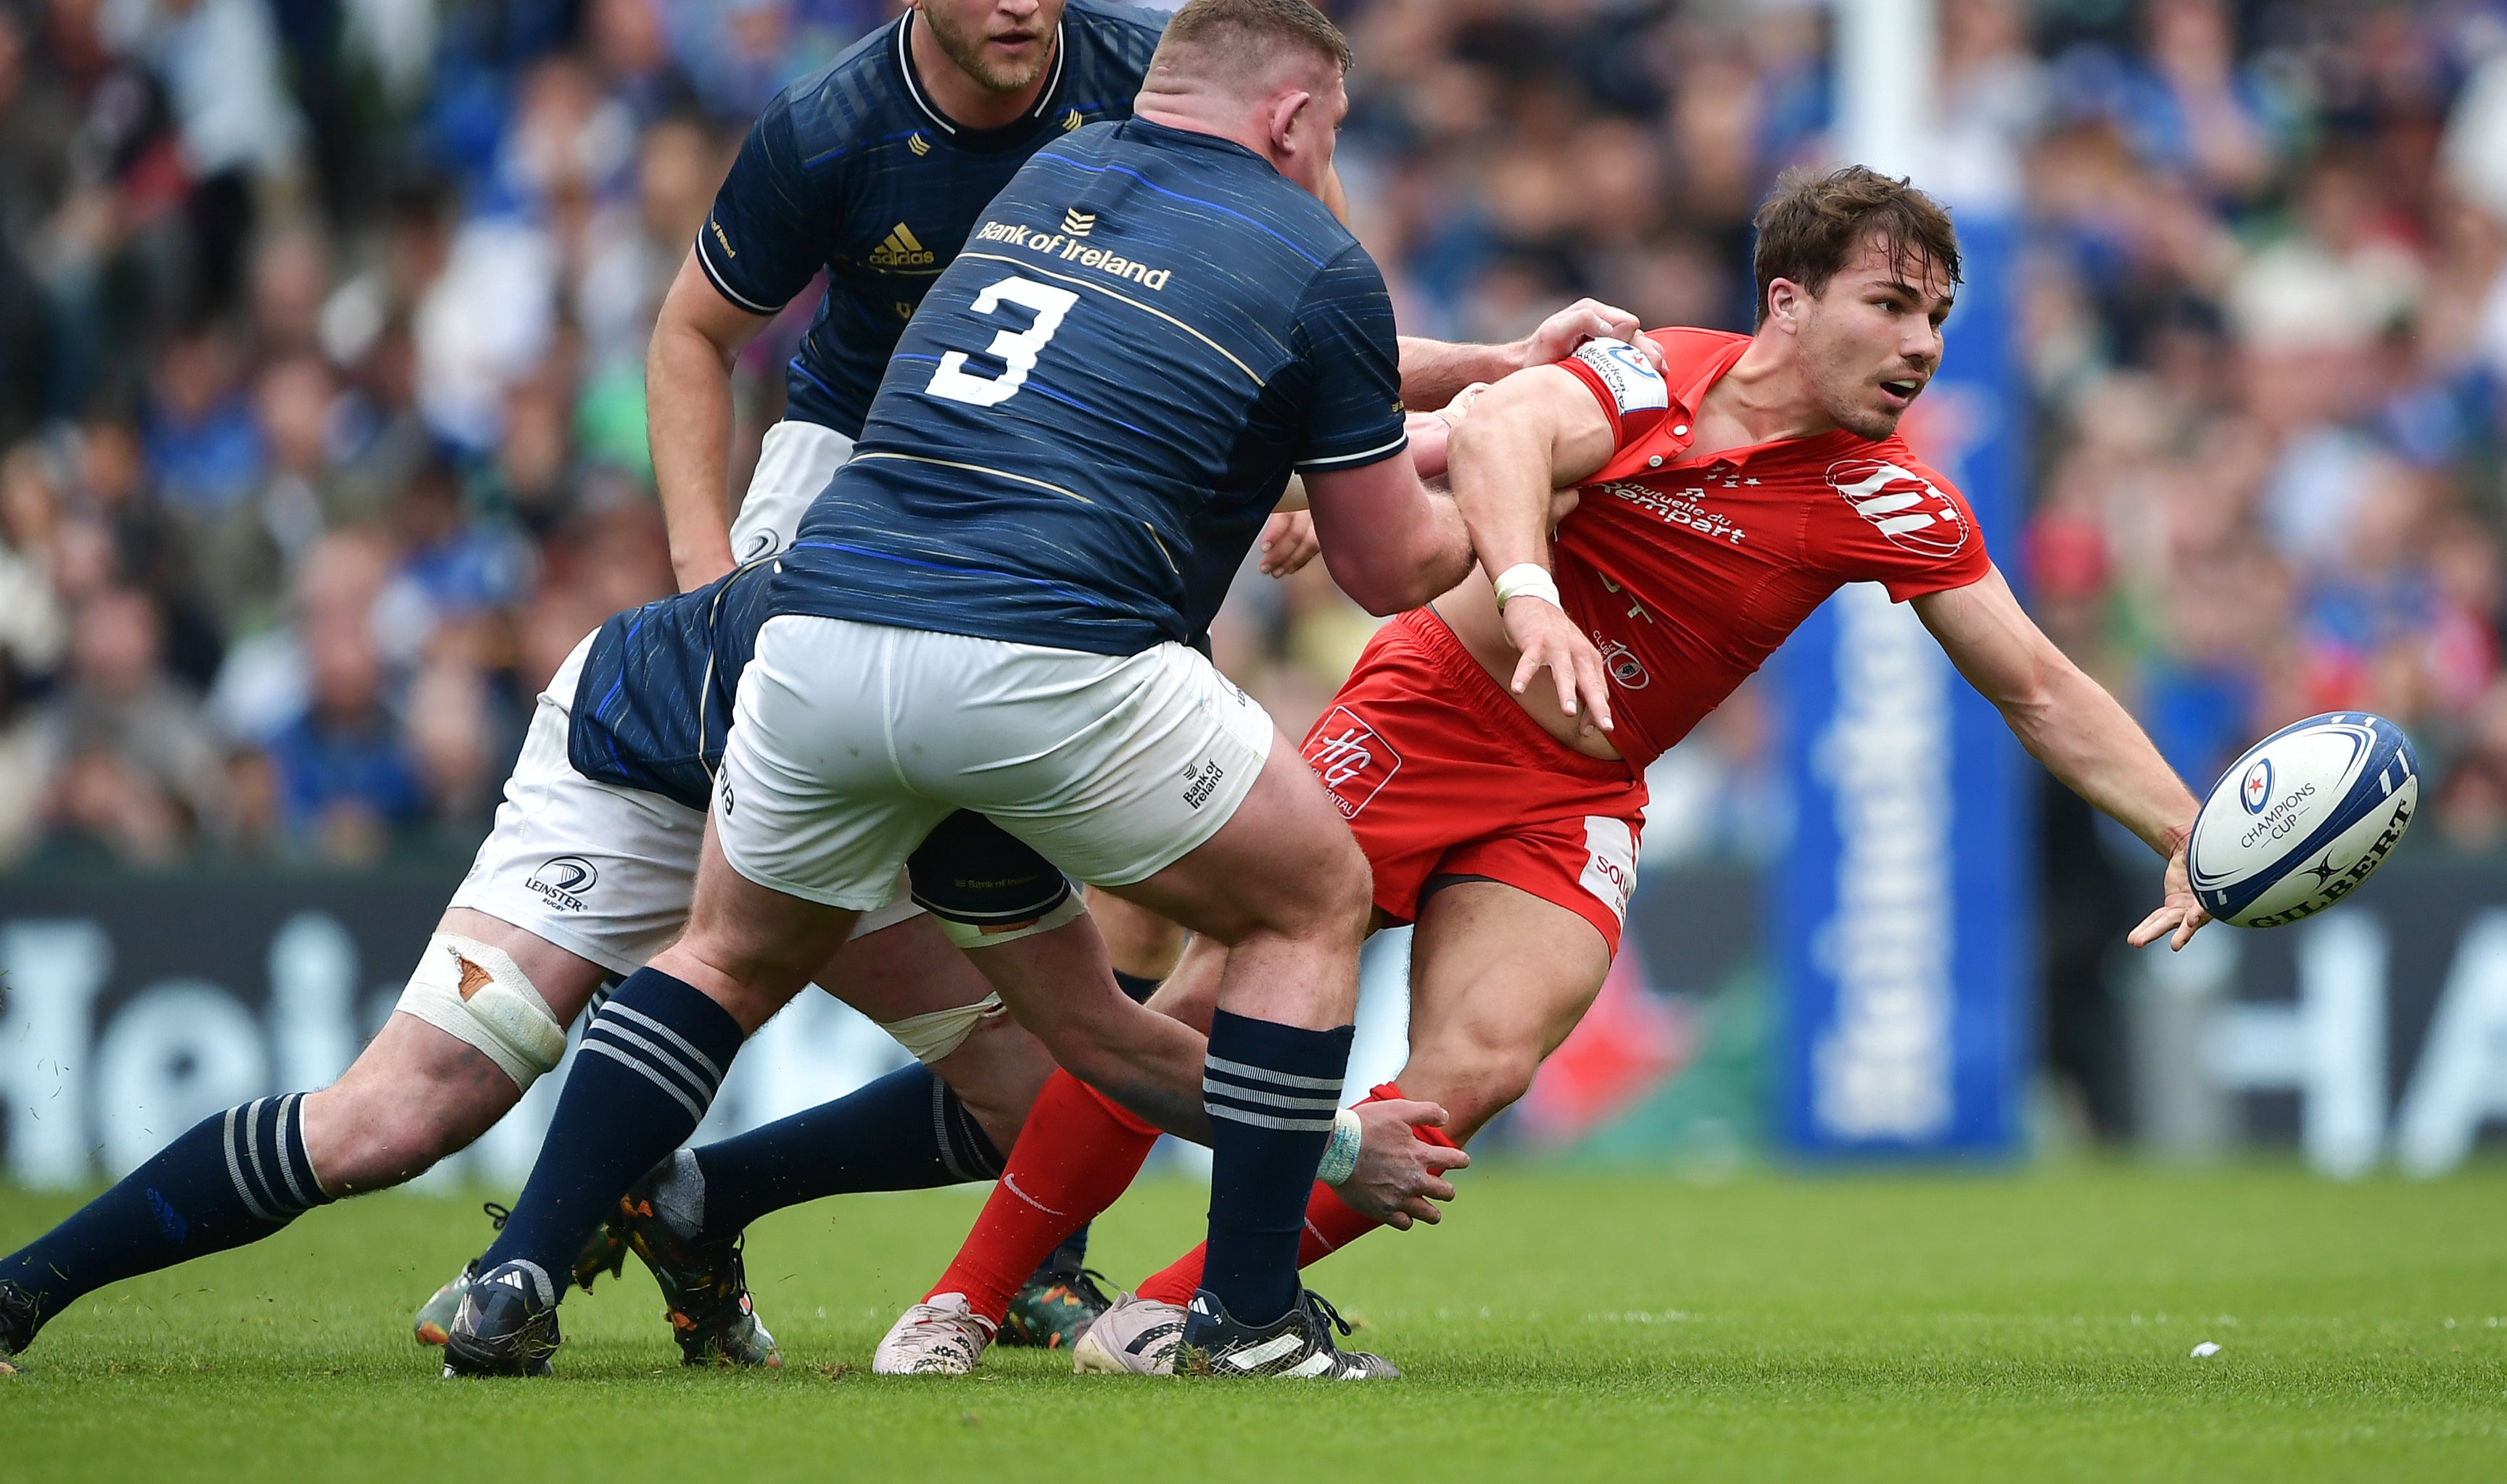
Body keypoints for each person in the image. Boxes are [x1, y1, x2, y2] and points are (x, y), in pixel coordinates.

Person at [872, 165, 2213, 1377]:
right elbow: (1505, 430)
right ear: (1788, 302)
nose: (1921, 344)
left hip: (1580, 786)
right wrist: (1515, 588)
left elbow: (2038, 684)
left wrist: (2187, 831)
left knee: (1483, 1062)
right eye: (1890, 305)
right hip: (1432, 712)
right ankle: (964, 1305)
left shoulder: (1893, 500)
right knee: (1217, 998)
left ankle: (1178, 1317)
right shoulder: (1652, 375)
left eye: (1936, 316)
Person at [645, 0, 1637, 1346]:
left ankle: (685, 1203)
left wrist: (1422, 411)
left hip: (1010, 565)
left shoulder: (1114, 108)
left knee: (1100, 961)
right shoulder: (834, 126)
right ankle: (1219, 1303)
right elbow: (697, 332)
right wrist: (1511, 517)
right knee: (1220, 926)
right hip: (892, 518)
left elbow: (1276, 333)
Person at [439, 0, 1511, 1383]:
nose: (1334, 167)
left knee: (731, 958)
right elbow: (1383, 566)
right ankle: (1249, 1317)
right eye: (1335, 137)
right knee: (1310, 890)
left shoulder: (1055, 175)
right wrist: (1501, 486)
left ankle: (520, 1269)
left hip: (820, 629)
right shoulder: (1314, 254)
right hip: (1039, 652)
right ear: (1296, 117)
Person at [0, 554, 1462, 1377]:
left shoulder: (1040, 674)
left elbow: (1104, 1053)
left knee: (1046, 1107)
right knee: (396, 1120)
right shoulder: (1032, 654)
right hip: (641, 760)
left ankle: (680, 1201)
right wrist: (1335, 1135)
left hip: (858, 788)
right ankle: (29, 1287)